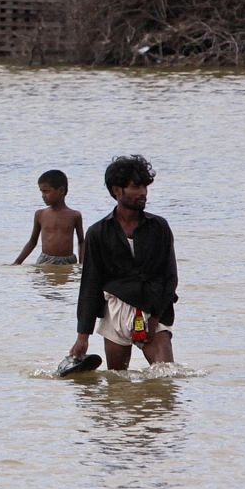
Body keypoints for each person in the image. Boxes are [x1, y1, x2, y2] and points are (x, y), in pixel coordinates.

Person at [67, 155, 178, 371]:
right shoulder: (98, 233)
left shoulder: (159, 227)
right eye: (136, 187)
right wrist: (83, 337)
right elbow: (90, 284)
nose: (143, 192)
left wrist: (154, 319)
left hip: (154, 307)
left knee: (166, 377)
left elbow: (170, 277)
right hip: (116, 310)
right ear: (117, 191)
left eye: (145, 186)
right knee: (117, 384)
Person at [12, 169, 85, 265]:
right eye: (41, 192)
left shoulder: (74, 215)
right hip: (45, 260)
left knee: (67, 279)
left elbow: (81, 242)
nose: (43, 196)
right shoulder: (40, 214)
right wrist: (17, 262)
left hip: (68, 262)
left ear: (61, 191)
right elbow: (32, 242)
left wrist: (82, 264)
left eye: (46, 191)